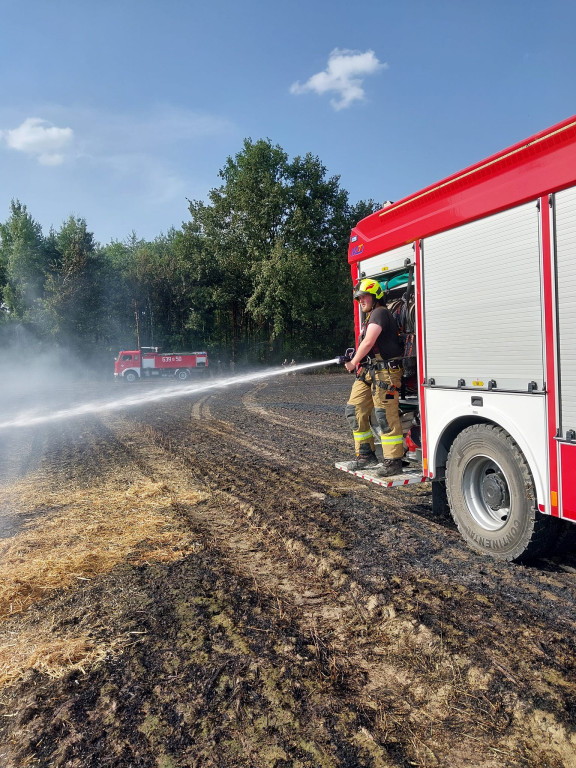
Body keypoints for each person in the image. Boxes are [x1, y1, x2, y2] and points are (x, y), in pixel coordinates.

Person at [343, 278, 404, 477]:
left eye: (364, 296)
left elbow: (369, 342)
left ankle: (393, 461)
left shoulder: (380, 313)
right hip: (369, 371)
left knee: (385, 415)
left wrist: (353, 362)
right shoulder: (370, 317)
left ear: (376, 296)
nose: (361, 300)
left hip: (386, 373)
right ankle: (366, 455)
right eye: (358, 298)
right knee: (354, 409)